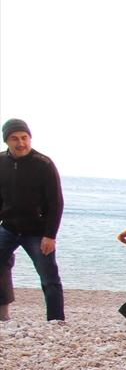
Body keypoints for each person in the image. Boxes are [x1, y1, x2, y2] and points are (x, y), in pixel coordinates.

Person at [0, 119, 64, 322]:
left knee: (49, 278)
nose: (21, 143)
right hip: (8, 228)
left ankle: (56, 321)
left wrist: (49, 235)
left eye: (24, 138)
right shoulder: (1, 162)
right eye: (15, 139)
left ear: (29, 138)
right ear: (6, 141)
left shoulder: (43, 164)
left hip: (37, 232)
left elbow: (56, 203)